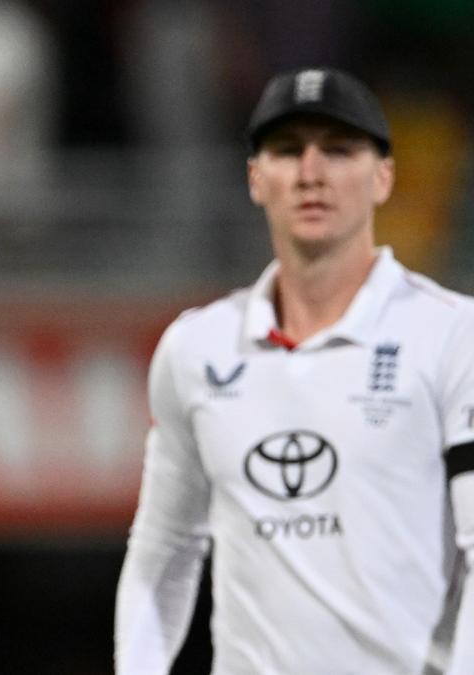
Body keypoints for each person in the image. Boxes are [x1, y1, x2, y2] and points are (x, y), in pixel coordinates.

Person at [114, 67, 474, 673]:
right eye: (286, 150)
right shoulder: (196, 349)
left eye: (339, 149)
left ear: (384, 176)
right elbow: (164, 549)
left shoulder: (452, 335)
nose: (311, 172)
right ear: (255, 178)